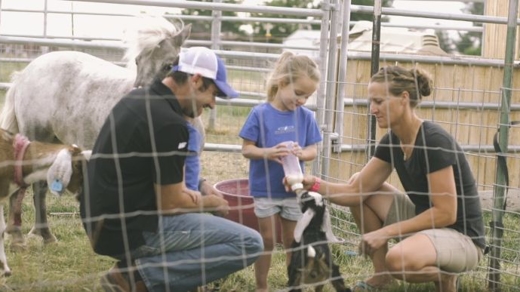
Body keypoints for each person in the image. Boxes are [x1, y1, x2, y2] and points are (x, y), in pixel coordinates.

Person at [80, 46, 264, 292]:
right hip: (128, 230)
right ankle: (135, 278)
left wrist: (199, 186)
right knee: (249, 242)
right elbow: (171, 204)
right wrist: (212, 203)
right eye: (213, 94)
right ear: (196, 80)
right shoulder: (169, 123)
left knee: (199, 217)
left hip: (100, 221)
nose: (212, 104)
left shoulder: (137, 99)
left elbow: (151, 171)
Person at [287, 66, 486, 292]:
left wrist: (385, 232)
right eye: (371, 102)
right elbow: (355, 192)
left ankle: (446, 277)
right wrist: (312, 182)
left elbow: (446, 213)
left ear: (403, 98)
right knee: (360, 183)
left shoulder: (433, 140)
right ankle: (382, 277)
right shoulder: (393, 139)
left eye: (379, 101)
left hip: (462, 238)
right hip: (428, 225)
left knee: (398, 260)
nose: (372, 109)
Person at [239, 51, 323, 292]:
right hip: (265, 188)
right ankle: (261, 286)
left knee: (291, 240)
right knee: (266, 240)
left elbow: (312, 150)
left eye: (307, 96)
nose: (303, 100)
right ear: (282, 83)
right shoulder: (260, 113)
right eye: (299, 93)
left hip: (293, 189)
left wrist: (300, 153)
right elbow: (247, 149)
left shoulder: (306, 117)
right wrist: (267, 152)